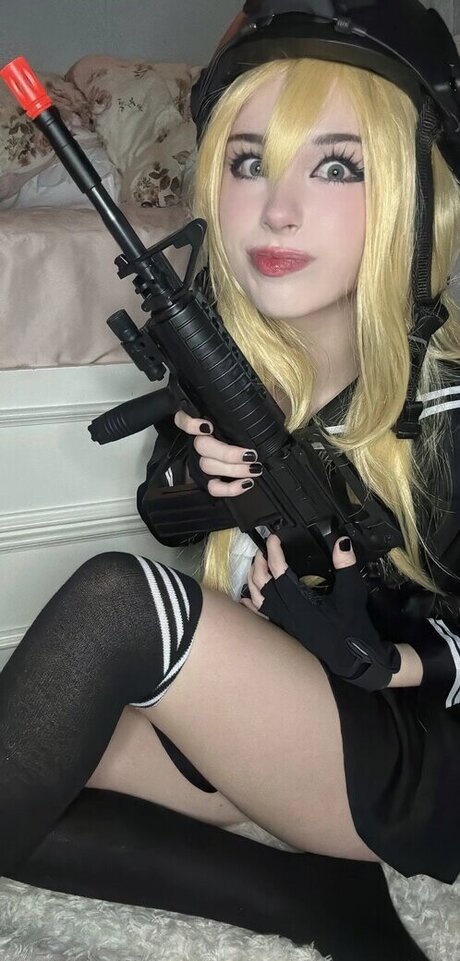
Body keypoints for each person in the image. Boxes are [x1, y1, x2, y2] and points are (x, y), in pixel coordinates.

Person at [1, 2, 459, 958]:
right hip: (300, 711)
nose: (277, 208)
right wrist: (212, 487)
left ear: (415, 196)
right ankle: (309, 899)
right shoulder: (236, 372)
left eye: (337, 166)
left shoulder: (446, 409)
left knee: (122, 603)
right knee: (32, 750)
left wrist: (386, 658)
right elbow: (165, 510)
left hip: (419, 753)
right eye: (249, 162)